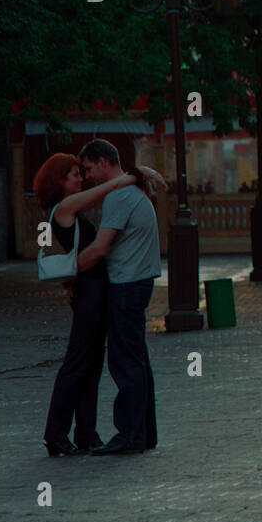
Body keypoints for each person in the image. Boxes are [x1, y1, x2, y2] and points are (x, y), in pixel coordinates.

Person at [33, 152, 164, 457]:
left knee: (91, 366)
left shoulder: (71, 213)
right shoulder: (64, 208)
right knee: (78, 362)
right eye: (74, 174)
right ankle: (55, 434)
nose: (81, 178)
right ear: (59, 181)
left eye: (83, 172)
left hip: (93, 292)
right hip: (91, 294)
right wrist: (132, 176)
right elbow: (103, 193)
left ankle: (86, 433)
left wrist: (69, 282)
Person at [76, 139, 164, 455]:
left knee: (125, 362)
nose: (86, 177)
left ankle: (129, 435)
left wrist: (68, 269)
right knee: (137, 360)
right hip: (139, 284)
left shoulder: (119, 197)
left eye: (87, 168)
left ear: (102, 162)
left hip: (126, 287)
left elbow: (100, 248)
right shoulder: (136, 191)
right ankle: (143, 433)